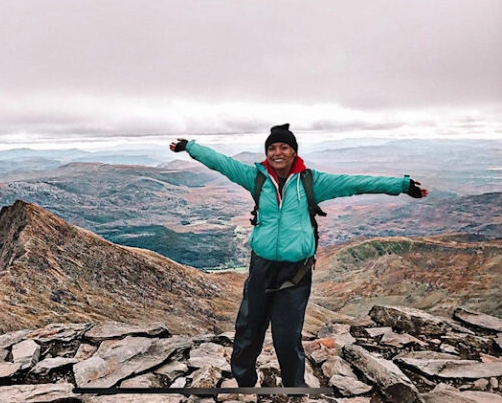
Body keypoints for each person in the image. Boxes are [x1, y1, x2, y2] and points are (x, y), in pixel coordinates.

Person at [169, 124, 427, 390]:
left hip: (297, 271)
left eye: (283, 147)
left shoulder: (311, 182)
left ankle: (295, 388)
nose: (277, 152)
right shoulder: (256, 178)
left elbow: (356, 183)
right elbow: (222, 163)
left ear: (294, 152)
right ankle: (244, 384)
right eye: (272, 148)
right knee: (248, 328)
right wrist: (190, 146)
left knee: (287, 335)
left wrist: (402, 185)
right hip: (261, 266)